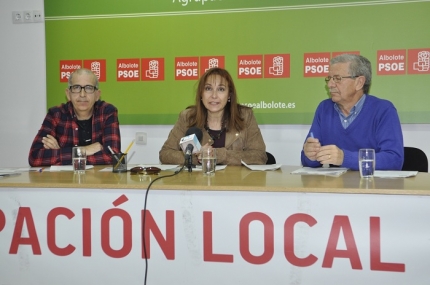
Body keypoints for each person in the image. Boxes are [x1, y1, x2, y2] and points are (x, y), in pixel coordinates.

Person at [301, 54, 403, 170]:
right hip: (335, 186)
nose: (330, 84)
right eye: (329, 78)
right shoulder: (324, 108)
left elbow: (394, 160)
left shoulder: (383, 110)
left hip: (371, 185)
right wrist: (310, 155)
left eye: (337, 78)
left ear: (359, 82)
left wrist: (345, 158)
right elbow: (307, 161)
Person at [159, 67, 267, 165]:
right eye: (208, 89)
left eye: (221, 89)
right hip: (199, 184)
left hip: (234, 184)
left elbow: (259, 156)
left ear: (229, 95)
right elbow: (165, 154)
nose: (214, 96)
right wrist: (197, 157)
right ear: (201, 94)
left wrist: (218, 154)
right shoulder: (187, 117)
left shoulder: (245, 116)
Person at [29, 68, 121, 166]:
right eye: (76, 88)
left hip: (97, 180)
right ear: (68, 94)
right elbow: (35, 157)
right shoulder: (56, 114)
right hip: (64, 180)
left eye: (89, 88)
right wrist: (83, 151)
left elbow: (113, 157)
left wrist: (61, 153)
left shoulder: (107, 112)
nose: (82, 95)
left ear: (97, 95)